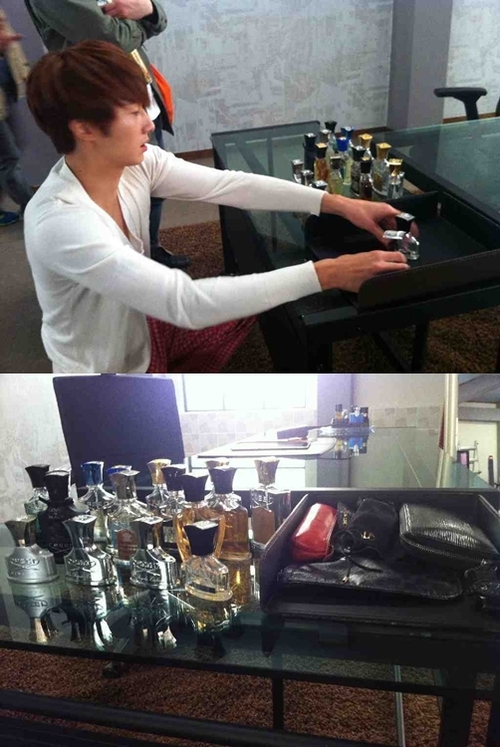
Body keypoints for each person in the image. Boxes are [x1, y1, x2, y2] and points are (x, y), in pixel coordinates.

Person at [23, 40, 409, 374]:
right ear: (84, 129)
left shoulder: (138, 164)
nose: (149, 124)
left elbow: (230, 185)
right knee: (230, 303)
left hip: (141, 322)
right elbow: (185, 303)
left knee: (248, 299)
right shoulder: (61, 222)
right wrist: (329, 273)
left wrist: (340, 204)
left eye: (145, 108)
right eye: (134, 112)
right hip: (102, 372)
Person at [23, 0, 189, 268]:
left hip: (142, 97)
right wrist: (145, 19)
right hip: (107, 107)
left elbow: (144, 16)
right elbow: (111, 39)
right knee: (116, 195)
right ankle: (129, 262)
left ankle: (149, 249)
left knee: (152, 187)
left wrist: (149, 10)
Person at [0, 9, 34, 226]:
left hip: (6, 90)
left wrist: (25, 75)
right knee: (9, 157)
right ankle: (31, 207)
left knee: (16, 146)